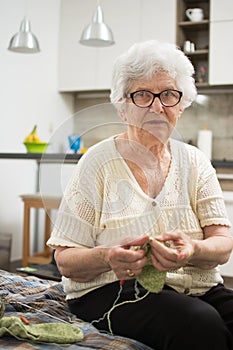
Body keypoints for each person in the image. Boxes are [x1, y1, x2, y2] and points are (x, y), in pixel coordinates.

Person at [47, 40, 233, 350]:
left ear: (181, 103)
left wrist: (193, 250)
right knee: (199, 323)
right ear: (122, 104)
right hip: (111, 290)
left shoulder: (197, 162)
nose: (158, 106)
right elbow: (65, 261)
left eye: (169, 95)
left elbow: (222, 246)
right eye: (143, 95)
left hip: (196, 288)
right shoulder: (96, 163)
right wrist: (107, 256)